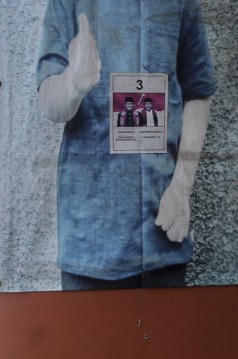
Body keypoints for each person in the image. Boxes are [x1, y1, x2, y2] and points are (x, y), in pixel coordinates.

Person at [36, 1, 215, 290]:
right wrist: (73, 84)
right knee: (91, 336)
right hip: (90, 242)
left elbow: (198, 92)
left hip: (163, 232)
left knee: (165, 335)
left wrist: (181, 188)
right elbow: (50, 105)